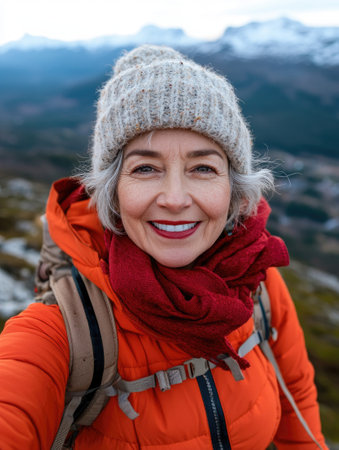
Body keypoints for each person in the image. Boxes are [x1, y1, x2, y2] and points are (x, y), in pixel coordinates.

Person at [0, 45, 327, 449]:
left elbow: (295, 394)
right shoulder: (63, 333)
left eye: (203, 168)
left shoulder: (257, 280)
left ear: (234, 191)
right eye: (146, 169)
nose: (174, 198)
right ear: (113, 192)